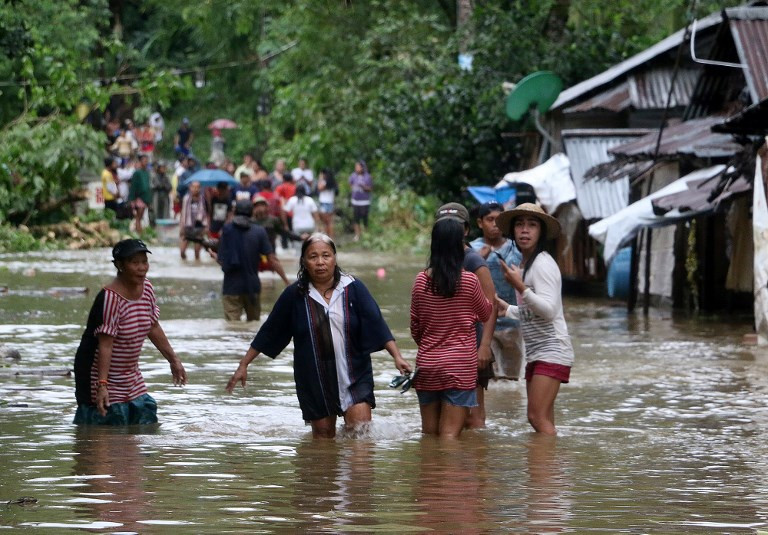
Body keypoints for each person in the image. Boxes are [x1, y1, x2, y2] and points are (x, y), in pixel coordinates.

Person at [226, 233, 411, 438]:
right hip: (314, 379)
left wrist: (397, 356)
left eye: (326, 255)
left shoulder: (353, 288)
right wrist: (244, 364)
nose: (320, 262)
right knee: (323, 440)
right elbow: (269, 331)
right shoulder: (295, 295)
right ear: (304, 262)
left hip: (355, 374)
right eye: (313, 257)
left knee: (360, 436)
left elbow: (376, 322)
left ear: (334, 259)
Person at [73, 239, 187, 425]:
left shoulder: (147, 288)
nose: (142, 268)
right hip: (99, 375)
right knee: (105, 428)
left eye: (144, 262)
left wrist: (173, 360)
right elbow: (105, 345)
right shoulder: (110, 298)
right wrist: (102, 385)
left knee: (144, 421)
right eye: (135, 263)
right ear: (120, 265)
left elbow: (153, 326)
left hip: (130, 375)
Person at [494, 203, 574, 436]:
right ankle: (548, 460)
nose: (525, 230)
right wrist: (509, 310)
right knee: (543, 419)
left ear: (541, 232)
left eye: (532, 225)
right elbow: (534, 311)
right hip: (538, 351)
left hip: (552, 349)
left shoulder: (542, 264)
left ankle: (547, 459)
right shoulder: (526, 264)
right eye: (519, 224)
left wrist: (520, 286)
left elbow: (549, 311)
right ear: (513, 231)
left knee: (536, 417)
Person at [410, 217, 492, 438]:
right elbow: (485, 313)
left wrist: (431, 345)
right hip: (460, 366)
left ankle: (429, 463)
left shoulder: (421, 281)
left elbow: (415, 327)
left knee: (429, 435)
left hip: (427, 365)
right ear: (460, 245)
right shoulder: (470, 281)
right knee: (449, 437)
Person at [434, 203, 498, 429]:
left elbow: (491, 306)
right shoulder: (438, 260)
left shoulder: (473, 261)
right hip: (446, 348)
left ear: (466, 230)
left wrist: (485, 346)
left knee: (474, 417)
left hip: (472, 344)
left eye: (456, 226)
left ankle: (477, 452)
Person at [470, 201, 524, 382]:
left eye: (498, 220)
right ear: (480, 223)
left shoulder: (516, 248)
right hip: (483, 324)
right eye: (490, 219)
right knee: (488, 378)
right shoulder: (472, 250)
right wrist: (478, 260)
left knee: (511, 379)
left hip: (512, 322)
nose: (494, 224)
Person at [218, 200, 290, 321]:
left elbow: (222, 260)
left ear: (235, 212)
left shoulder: (227, 230)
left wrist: (215, 257)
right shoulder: (259, 231)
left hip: (231, 288)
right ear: (252, 213)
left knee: (232, 327)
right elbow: (272, 259)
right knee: (254, 325)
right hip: (252, 287)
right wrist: (287, 282)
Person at [179, 181, 209, 260]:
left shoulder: (203, 199)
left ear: (200, 188)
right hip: (187, 227)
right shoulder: (185, 199)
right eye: (193, 187)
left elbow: (207, 213)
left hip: (199, 228)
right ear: (190, 188)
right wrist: (181, 227)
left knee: (197, 253)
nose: (195, 189)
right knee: (182, 252)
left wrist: (207, 227)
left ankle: (197, 265)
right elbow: (183, 213)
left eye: (197, 187)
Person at [348, 160, 372, 242]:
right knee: (356, 219)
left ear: (362, 168)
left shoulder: (367, 176)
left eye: (358, 167)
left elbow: (370, 188)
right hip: (355, 201)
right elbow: (350, 184)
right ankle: (357, 235)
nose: (356, 168)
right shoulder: (353, 176)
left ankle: (366, 235)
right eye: (356, 167)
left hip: (364, 201)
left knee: (365, 219)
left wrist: (364, 187)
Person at [128, 155, 152, 234]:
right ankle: (139, 233)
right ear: (140, 161)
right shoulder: (137, 173)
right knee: (138, 216)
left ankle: (139, 231)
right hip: (139, 197)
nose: (146, 162)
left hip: (145, 197)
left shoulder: (147, 173)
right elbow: (133, 186)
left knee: (141, 216)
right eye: (144, 161)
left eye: (147, 161)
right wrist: (132, 199)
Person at [317, 168, 338, 239]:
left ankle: (328, 237)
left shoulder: (324, 182)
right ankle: (331, 237)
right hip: (331, 202)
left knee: (325, 222)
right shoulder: (333, 182)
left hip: (324, 202)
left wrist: (320, 179)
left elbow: (319, 188)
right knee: (330, 222)